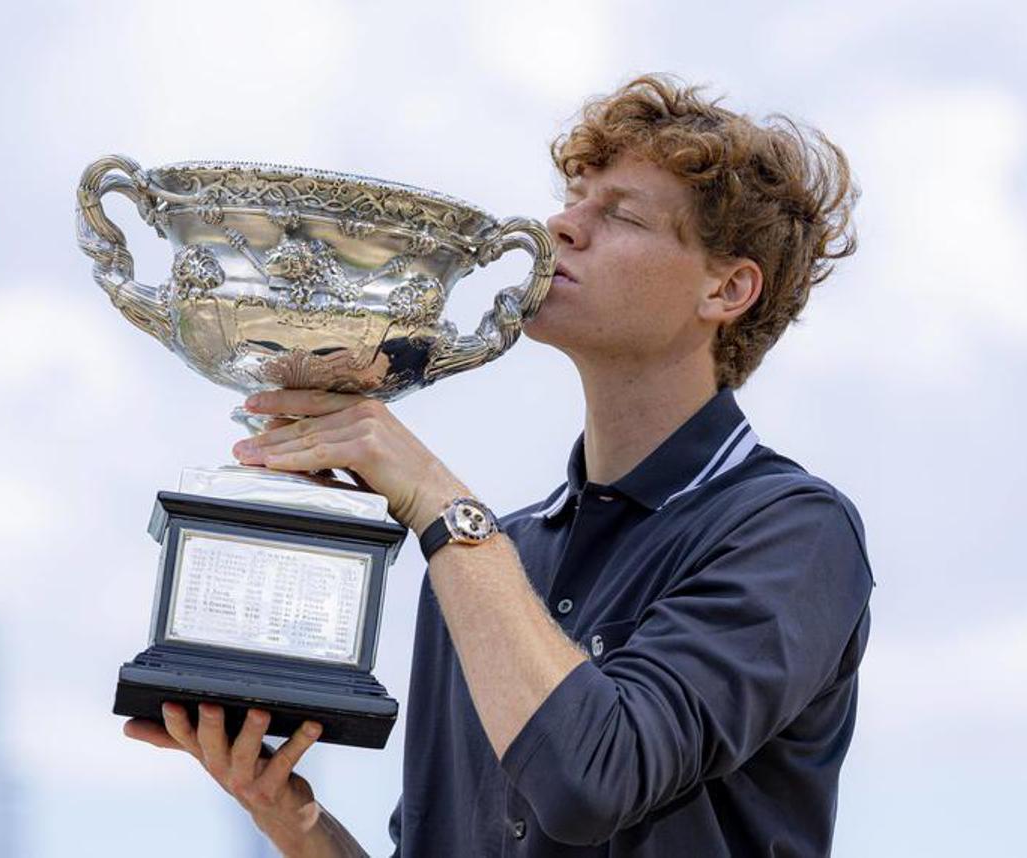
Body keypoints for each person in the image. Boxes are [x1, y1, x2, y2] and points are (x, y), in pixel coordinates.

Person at [125, 73, 872, 857]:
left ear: (728, 288)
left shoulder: (794, 534)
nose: (563, 227)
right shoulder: (487, 558)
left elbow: (594, 777)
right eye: (573, 200)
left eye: (619, 214)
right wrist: (290, 818)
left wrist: (439, 502)